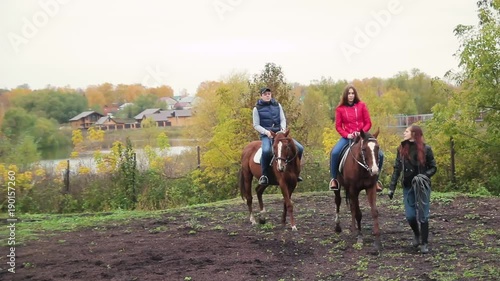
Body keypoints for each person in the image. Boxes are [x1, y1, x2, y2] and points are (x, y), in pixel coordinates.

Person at [388, 125, 437, 254]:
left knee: (423, 216)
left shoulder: (426, 149)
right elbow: (397, 169)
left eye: (407, 131)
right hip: (407, 187)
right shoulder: (401, 149)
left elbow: (433, 167)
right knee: (410, 216)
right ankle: (417, 234)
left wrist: (424, 176)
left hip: (422, 187)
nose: (404, 133)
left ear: (414, 134)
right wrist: (392, 187)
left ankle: (424, 243)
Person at [329, 84, 384, 191]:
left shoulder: (362, 106)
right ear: (346, 95)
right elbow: (338, 126)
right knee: (335, 152)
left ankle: (376, 180)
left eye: (353, 93)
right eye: (349, 93)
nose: (351, 95)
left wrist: (361, 132)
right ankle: (334, 179)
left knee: (380, 154)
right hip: (348, 137)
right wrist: (347, 134)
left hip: (362, 136)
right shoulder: (340, 109)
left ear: (355, 95)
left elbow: (368, 123)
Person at [253, 87, 304, 185]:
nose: (267, 95)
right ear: (261, 96)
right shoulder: (256, 109)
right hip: (267, 135)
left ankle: (296, 172)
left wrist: (282, 129)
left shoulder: (277, 105)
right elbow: (256, 125)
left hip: (280, 134)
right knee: (266, 151)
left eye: (269, 94)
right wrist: (266, 132)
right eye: (265, 94)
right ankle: (264, 175)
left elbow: (283, 119)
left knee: (300, 148)